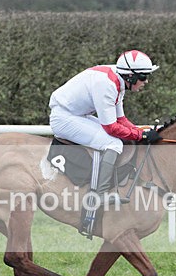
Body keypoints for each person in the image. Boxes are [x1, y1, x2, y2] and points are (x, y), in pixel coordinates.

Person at [49, 50, 162, 204]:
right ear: (131, 76)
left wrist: (141, 131)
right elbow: (111, 127)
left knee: (119, 139)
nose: (146, 81)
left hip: (76, 114)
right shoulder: (107, 84)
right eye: (143, 77)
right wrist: (140, 136)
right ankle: (99, 195)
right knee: (113, 143)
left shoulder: (118, 79)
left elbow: (121, 119)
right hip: (64, 118)